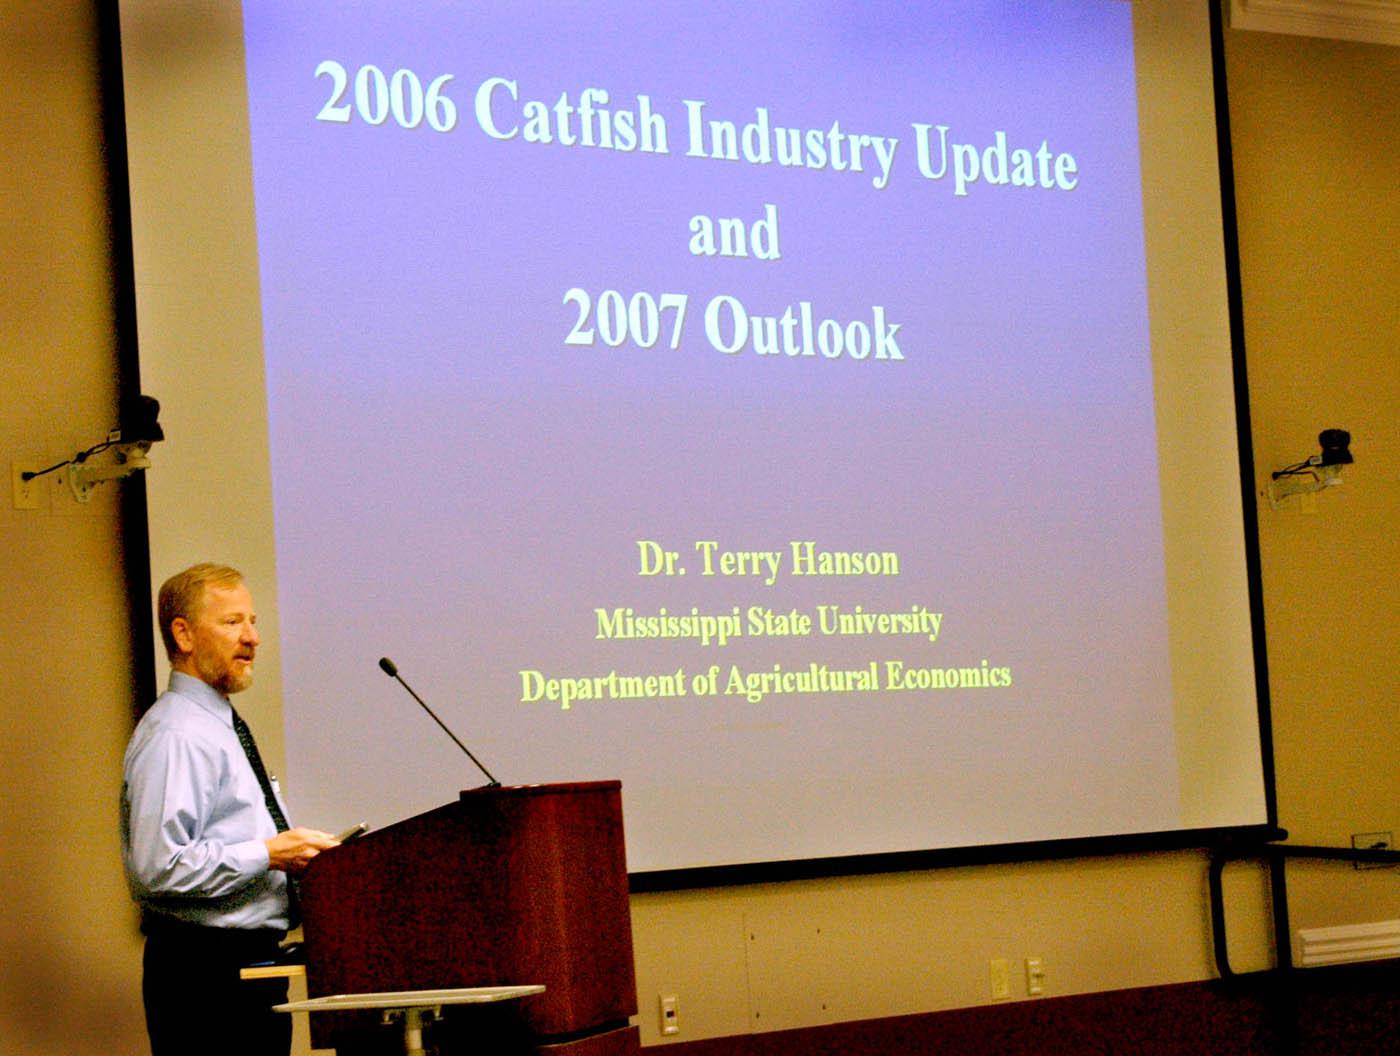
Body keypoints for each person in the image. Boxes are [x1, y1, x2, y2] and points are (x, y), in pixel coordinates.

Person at [120, 563, 339, 1056]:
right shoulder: (178, 734)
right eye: (233, 622)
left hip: (248, 968)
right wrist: (268, 854)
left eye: (254, 621)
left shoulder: (215, 723)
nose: (254, 638)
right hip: (205, 976)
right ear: (184, 634)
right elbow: (159, 868)